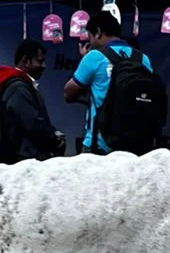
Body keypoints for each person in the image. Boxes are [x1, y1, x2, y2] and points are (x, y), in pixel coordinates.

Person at [64, 10, 163, 156]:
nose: (90, 43)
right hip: (137, 145)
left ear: (97, 32)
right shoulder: (142, 58)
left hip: (100, 145)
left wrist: (84, 60)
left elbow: (68, 93)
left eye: (90, 38)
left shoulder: (94, 57)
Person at [0, 39, 64, 166]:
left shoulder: (17, 85)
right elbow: (32, 123)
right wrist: (53, 138)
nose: (44, 66)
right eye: (40, 61)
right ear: (25, 61)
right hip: (23, 160)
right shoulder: (18, 88)